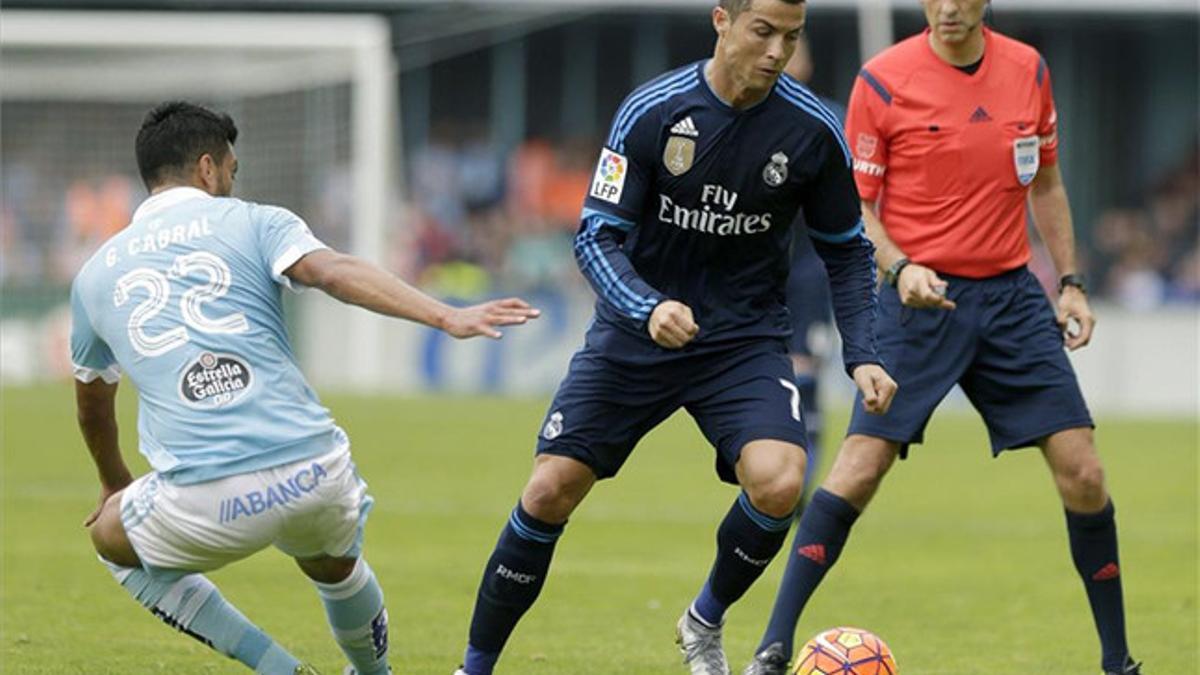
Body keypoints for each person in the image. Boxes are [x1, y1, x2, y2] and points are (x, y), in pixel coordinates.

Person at [453, 1, 897, 673]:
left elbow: (848, 252)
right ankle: (475, 666)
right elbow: (597, 237)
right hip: (637, 336)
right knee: (548, 490)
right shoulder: (654, 111)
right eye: (763, 31)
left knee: (780, 480)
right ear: (722, 20)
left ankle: (703, 619)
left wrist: (864, 353)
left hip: (742, 341)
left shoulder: (814, 130)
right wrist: (646, 305)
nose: (778, 50)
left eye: (792, 36)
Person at [71, 101, 540, 675]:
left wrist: (113, 481)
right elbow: (334, 272)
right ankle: (374, 674)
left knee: (112, 539)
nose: (230, 183)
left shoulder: (95, 273)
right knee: (333, 566)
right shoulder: (255, 221)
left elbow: (93, 401)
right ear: (208, 169)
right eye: (231, 171)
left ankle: (279, 669)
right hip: (313, 474)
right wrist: (446, 315)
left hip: (205, 501)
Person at [745, 2, 1142, 674]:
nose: (949, 8)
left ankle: (1118, 662)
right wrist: (901, 268)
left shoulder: (1029, 70)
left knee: (1085, 472)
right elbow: (852, 210)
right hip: (913, 301)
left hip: (1012, 298)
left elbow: (1045, 181)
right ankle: (772, 648)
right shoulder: (882, 80)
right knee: (856, 469)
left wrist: (1070, 281)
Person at [781, 35, 843, 505]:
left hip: (809, 269)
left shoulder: (830, 117)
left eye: (795, 42)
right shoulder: (741, 113)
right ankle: (773, 471)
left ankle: (799, 480)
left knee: (806, 371)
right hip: (756, 267)